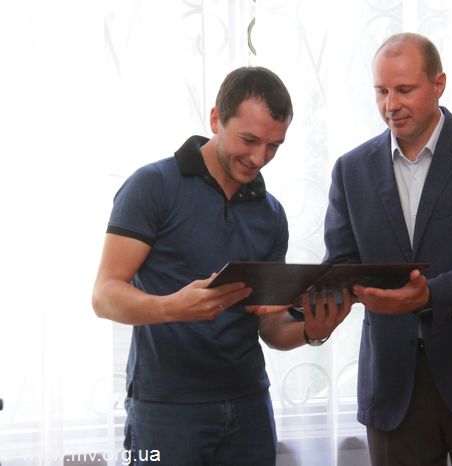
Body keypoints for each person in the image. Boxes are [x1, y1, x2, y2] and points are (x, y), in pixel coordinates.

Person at [92, 66, 351, 465]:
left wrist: (312, 331)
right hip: (164, 408)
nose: (259, 158)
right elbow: (104, 295)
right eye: (249, 140)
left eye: (273, 146)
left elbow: (270, 327)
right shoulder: (152, 186)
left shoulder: (271, 214)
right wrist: (172, 307)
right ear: (216, 119)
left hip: (249, 404)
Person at [323, 33, 452, 466]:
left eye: (404, 90)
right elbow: (342, 266)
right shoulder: (350, 169)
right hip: (393, 388)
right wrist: (294, 303)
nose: (390, 105)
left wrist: (428, 296)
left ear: (439, 85)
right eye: (381, 91)